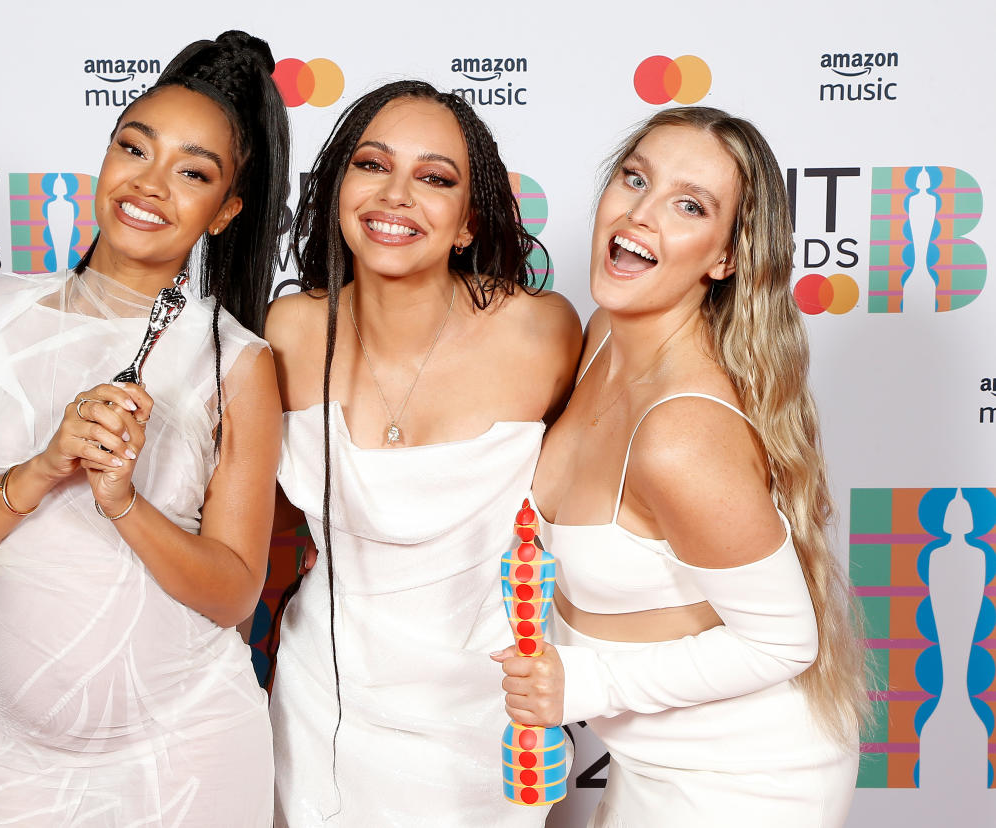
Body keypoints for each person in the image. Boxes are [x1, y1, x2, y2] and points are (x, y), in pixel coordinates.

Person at [0, 31, 289, 826]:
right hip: (20, 756)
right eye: (134, 148)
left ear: (225, 212)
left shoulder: (238, 363)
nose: (149, 185)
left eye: (192, 172)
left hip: (189, 750)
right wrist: (48, 466)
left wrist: (122, 499)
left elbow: (233, 595)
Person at [497, 107, 864, 827]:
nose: (640, 214)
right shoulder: (605, 333)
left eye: (688, 205)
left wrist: (582, 682)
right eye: (635, 178)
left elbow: (784, 642)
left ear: (724, 258)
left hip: (748, 776)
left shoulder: (680, 433)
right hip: (649, 755)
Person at [266, 80, 583, 826]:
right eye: (373, 165)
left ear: (468, 224)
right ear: (338, 186)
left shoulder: (541, 333)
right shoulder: (287, 331)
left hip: (487, 719)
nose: (397, 194)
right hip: (321, 711)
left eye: (434, 178)